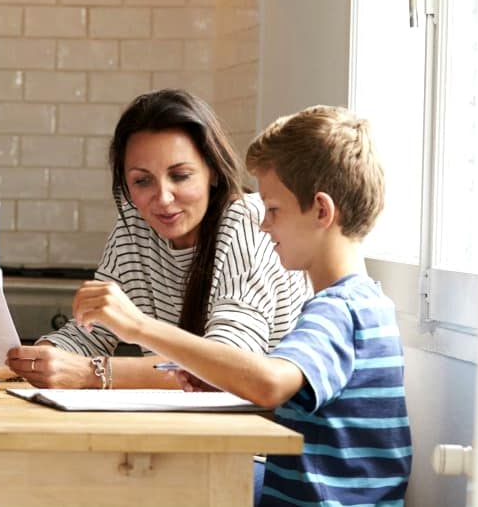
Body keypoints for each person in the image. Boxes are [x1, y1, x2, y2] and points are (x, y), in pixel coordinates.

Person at [72, 105, 412, 505]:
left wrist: (140, 328)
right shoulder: (364, 303)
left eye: (272, 209)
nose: (264, 224)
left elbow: (269, 383)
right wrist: (221, 380)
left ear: (321, 210)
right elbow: (307, 414)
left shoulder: (341, 311)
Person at [0, 89, 310, 388]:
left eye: (180, 175)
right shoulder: (134, 227)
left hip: (265, 442)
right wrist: (14, 363)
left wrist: (90, 374)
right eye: (142, 180)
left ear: (213, 171)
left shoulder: (247, 222)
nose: (162, 198)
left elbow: (226, 367)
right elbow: (89, 337)